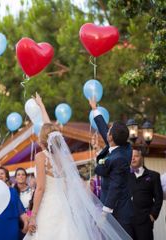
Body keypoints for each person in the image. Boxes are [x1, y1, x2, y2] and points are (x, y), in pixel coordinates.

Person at [23, 93, 132, 240]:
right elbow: (50, 128)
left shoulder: (41, 157)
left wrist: (33, 215)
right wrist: (41, 105)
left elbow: (41, 188)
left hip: (48, 207)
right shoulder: (61, 157)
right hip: (63, 208)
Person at [89, 98, 134, 236]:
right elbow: (103, 129)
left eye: (110, 130)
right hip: (113, 208)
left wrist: (104, 214)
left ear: (111, 138)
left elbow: (115, 187)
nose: (107, 130)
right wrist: (94, 109)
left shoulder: (118, 159)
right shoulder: (123, 146)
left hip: (118, 212)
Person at [0, 166, 28, 240]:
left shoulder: (13, 191)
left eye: (2, 173)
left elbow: (20, 210)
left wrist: (26, 223)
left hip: (11, 226)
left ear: (6, 177)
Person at [128, 149, 163, 240]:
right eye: (130, 157)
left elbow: (159, 198)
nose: (133, 159)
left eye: (136, 156)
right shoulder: (125, 176)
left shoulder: (154, 176)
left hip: (145, 222)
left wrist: (153, 215)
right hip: (128, 222)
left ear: (142, 158)